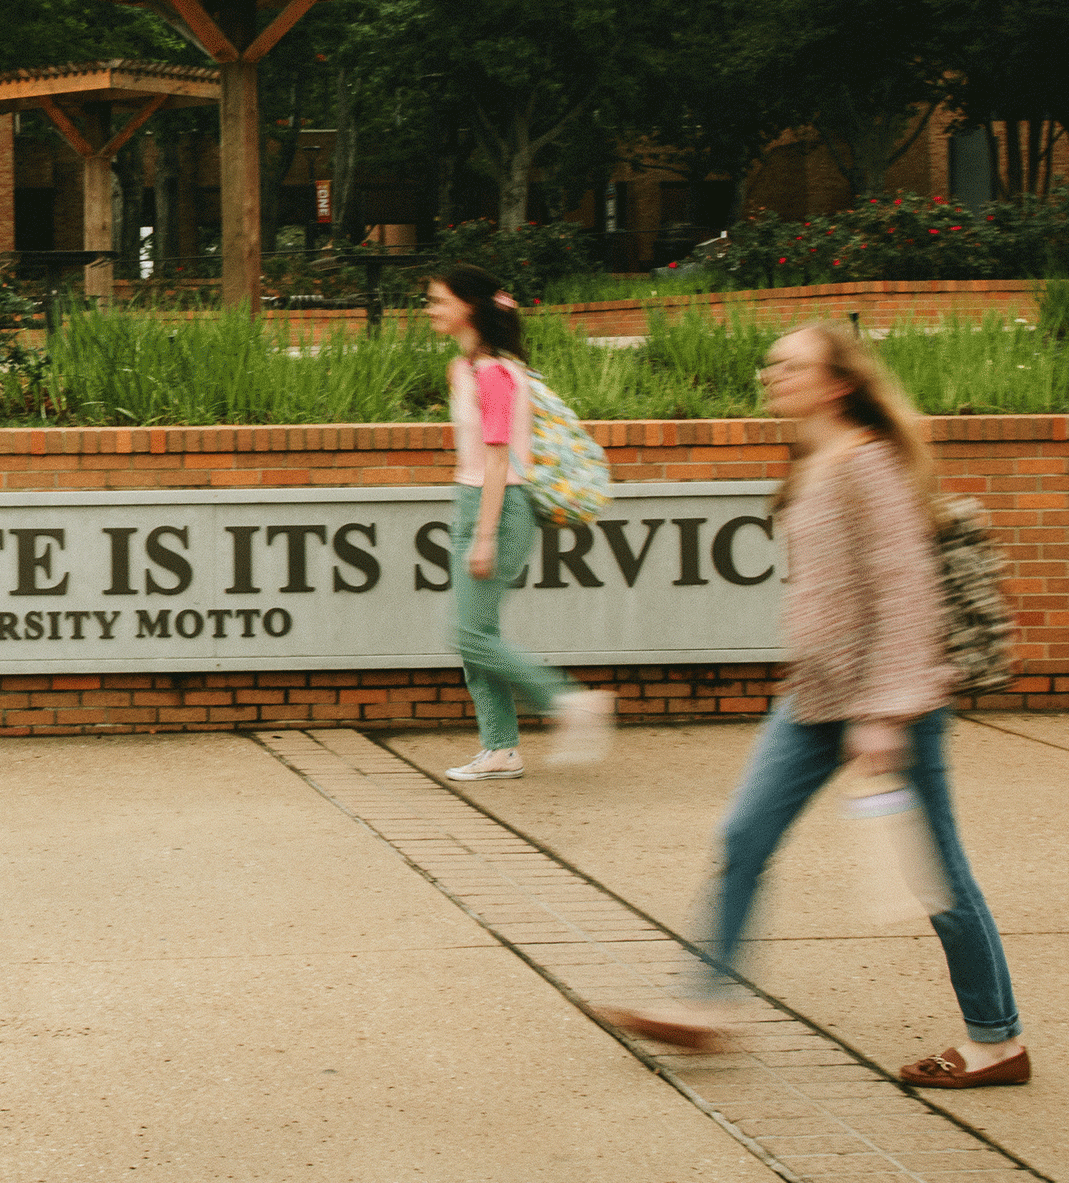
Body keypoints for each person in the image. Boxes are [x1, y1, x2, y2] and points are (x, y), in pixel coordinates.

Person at [599, 321, 1026, 1089]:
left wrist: (886, 713)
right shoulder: (812, 460)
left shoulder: (868, 463)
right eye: (771, 364)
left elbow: (905, 593)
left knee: (937, 878)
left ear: (838, 383)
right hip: (815, 698)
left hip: (887, 707)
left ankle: (997, 1040)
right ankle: (704, 1004)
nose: (773, 375)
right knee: (743, 837)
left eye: (790, 366)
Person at [423, 265, 612, 781]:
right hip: (470, 500)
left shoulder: (496, 374)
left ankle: (570, 702)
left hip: (500, 508)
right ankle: (501, 749)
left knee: (469, 632)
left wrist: (483, 535)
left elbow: (499, 461)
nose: (431, 309)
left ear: (470, 307)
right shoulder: (462, 369)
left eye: (440, 300)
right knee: (474, 632)